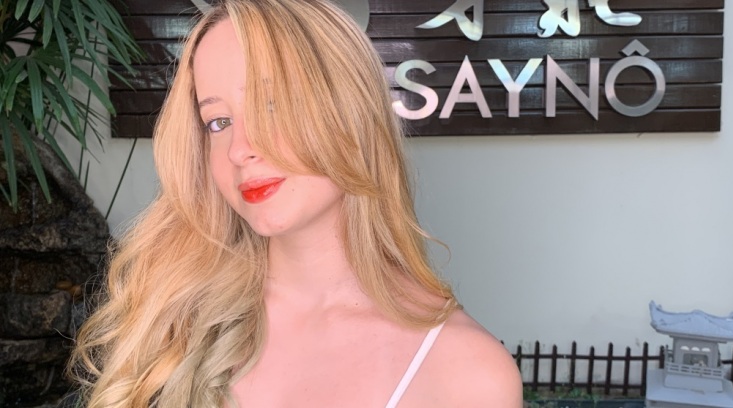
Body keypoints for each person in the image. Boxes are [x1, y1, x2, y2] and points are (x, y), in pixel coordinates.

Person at [69, 0, 523, 406]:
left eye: (271, 104)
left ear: (350, 111)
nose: (239, 149)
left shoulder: (468, 372)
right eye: (218, 121)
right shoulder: (171, 323)